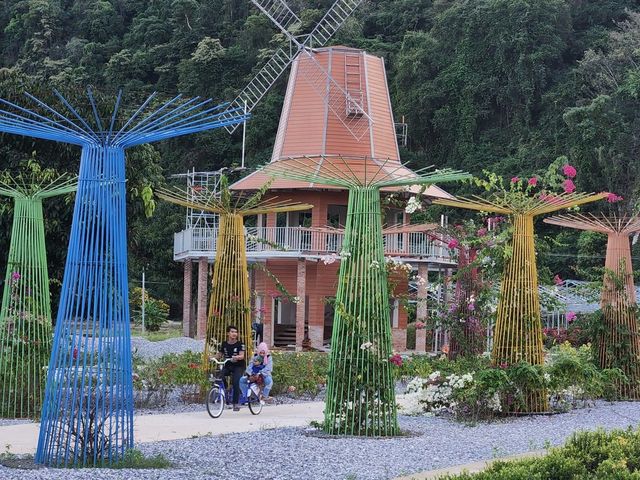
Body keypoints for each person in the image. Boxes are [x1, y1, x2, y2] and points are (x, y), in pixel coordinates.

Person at [218, 325, 245, 411]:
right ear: (228, 333)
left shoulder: (240, 344)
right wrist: (211, 357)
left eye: (236, 332)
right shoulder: (224, 344)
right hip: (228, 365)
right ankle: (226, 388)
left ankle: (235, 403)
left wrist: (237, 357)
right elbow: (220, 355)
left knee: (236, 382)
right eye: (232, 332)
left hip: (238, 366)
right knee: (220, 376)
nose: (234, 334)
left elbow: (242, 355)